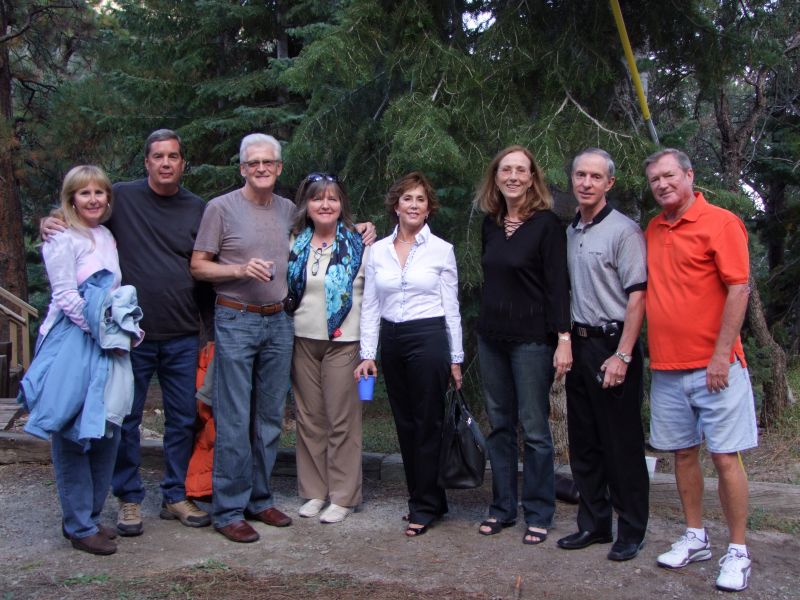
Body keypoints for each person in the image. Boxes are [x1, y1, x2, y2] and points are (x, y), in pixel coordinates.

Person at [41, 129, 211, 536]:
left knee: (183, 418)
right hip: (130, 335)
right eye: (158, 156)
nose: (165, 163)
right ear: (147, 161)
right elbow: (83, 212)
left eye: (173, 156)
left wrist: (208, 330)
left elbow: (207, 266)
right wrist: (50, 221)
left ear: (183, 163)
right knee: (125, 419)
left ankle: (174, 494)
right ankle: (129, 497)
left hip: (183, 332)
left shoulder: (198, 208)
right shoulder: (122, 198)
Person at [644, 149, 757, 592]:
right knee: (683, 454)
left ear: (690, 175)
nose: (662, 184)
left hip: (716, 368)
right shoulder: (654, 229)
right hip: (667, 366)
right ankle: (696, 536)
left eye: (669, 175)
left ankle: (738, 550)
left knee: (725, 457)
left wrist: (720, 355)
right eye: (655, 179)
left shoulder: (721, 223)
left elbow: (738, 288)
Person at [20, 166, 143, 555]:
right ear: (71, 198)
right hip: (76, 340)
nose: (93, 199)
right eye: (84, 192)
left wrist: (121, 330)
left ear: (108, 198)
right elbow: (66, 296)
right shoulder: (62, 238)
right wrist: (102, 331)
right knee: (73, 431)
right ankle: (78, 525)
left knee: (108, 426)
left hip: (108, 340)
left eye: (99, 192)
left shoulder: (106, 236)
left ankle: (89, 515)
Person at [191, 133, 297, 543]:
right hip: (236, 318)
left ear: (279, 168)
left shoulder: (288, 210)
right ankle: (228, 510)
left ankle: (259, 498)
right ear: (242, 168)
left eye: (268, 162)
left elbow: (324, 229)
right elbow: (199, 266)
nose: (261, 168)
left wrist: (361, 228)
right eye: (253, 163)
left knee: (269, 417)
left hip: (279, 321)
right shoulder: (221, 208)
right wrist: (238, 269)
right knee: (234, 417)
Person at [355, 172, 463, 537]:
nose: (414, 205)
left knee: (428, 422)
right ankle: (428, 498)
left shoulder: (441, 250)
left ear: (429, 208)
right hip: (392, 339)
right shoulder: (377, 251)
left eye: (420, 199)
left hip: (429, 338)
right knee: (405, 423)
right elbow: (371, 305)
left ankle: (424, 505)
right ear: (396, 206)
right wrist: (367, 353)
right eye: (407, 199)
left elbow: (452, 309)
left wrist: (456, 358)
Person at [473, 145, 571, 545]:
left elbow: (558, 286)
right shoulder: (490, 224)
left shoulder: (547, 225)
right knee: (499, 426)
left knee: (534, 429)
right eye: (505, 170)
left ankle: (539, 511)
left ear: (532, 179)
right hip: (491, 338)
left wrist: (563, 338)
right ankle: (502, 508)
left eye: (521, 170)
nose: (513, 176)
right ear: (495, 177)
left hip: (532, 341)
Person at [557, 149, 649, 561]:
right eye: (581, 175)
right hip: (580, 345)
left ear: (609, 183)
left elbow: (638, 298)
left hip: (614, 346)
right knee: (585, 443)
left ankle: (631, 530)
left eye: (596, 177)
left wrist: (623, 355)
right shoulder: (571, 230)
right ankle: (594, 524)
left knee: (621, 444)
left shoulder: (624, 231)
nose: (586, 183)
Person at [286, 173, 366, 524]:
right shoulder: (294, 242)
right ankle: (315, 492)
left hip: (343, 342)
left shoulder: (359, 244)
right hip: (302, 339)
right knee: (309, 419)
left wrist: (370, 350)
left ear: (341, 204)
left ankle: (343, 496)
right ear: (307, 204)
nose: (325, 204)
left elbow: (371, 300)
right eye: (318, 198)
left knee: (341, 420)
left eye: (332, 198)